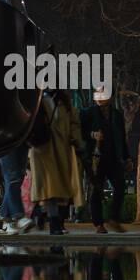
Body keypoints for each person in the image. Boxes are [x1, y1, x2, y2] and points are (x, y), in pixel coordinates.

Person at [29, 89, 85, 236]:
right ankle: (54, 223)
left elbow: (74, 124)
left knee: (61, 190)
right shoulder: (38, 100)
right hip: (42, 149)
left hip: (60, 149)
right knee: (51, 189)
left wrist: (77, 142)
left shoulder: (64, 103)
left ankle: (42, 213)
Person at [80, 85, 132, 234]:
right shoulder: (87, 113)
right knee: (97, 190)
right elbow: (79, 133)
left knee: (120, 186)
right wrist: (92, 135)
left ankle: (113, 219)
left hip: (113, 157)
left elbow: (122, 138)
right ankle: (98, 224)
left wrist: (127, 158)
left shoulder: (116, 115)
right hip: (94, 159)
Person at [0, 142, 33, 234]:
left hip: (22, 142)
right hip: (6, 141)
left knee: (17, 179)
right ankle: (19, 216)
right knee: (13, 179)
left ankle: (6, 220)